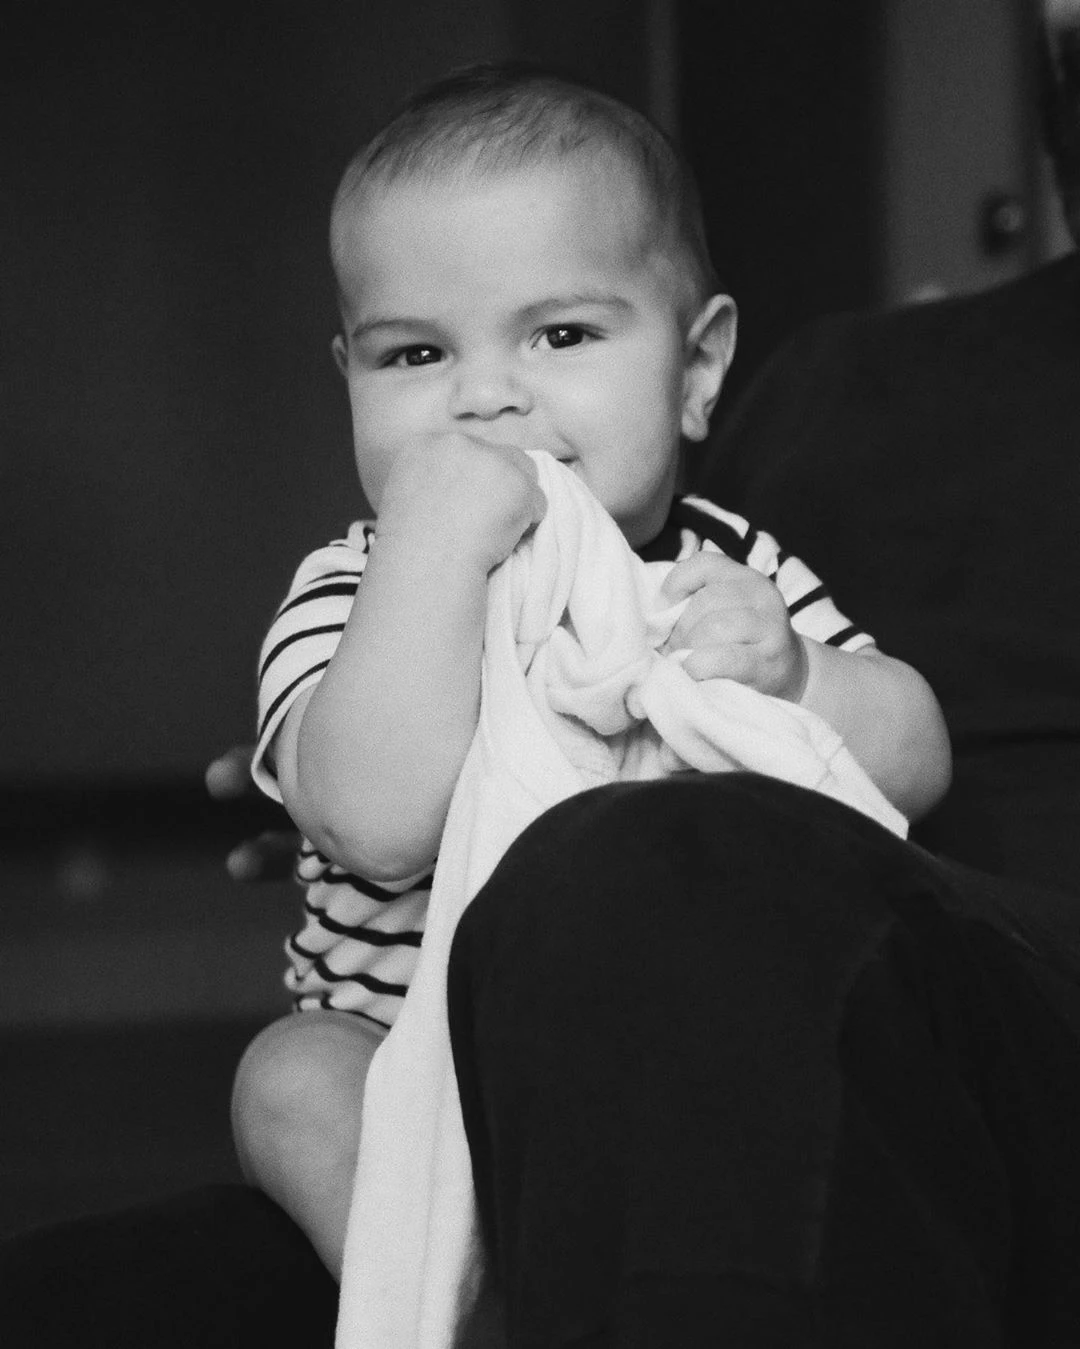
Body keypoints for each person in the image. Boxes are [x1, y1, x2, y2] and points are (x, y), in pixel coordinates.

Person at [228, 58, 951, 1291]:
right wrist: (437, 546)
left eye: (561, 334)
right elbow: (374, 822)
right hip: (408, 1057)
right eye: (414, 355)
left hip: (672, 1050)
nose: (484, 398)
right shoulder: (353, 588)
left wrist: (798, 677)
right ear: (347, 373)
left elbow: (915, 759)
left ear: (696, 369)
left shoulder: (731, 574)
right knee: (286, 1079)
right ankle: (447, 1297)